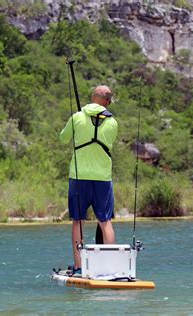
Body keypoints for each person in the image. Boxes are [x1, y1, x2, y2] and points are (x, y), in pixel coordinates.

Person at [59, 85, 118, 275]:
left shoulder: (77, 117)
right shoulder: (113, 123)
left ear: (92, 97)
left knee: (78, 221)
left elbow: (63, 139)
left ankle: (78, 266)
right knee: (105, 221)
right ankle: (111, 268)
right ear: (107, 102)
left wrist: (79, 126)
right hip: (102, 178)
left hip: (79, 177)